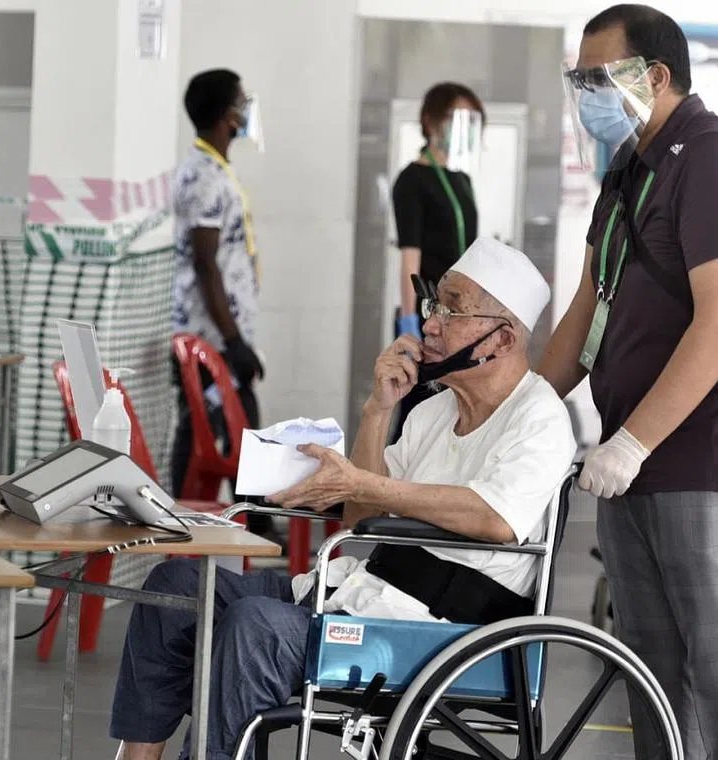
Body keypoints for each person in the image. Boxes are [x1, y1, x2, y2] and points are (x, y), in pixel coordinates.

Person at [112, 238, 576, 760]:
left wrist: (363, 483)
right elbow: (360, 519)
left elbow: (495, 519)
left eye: (451, 310)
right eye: (434, 305)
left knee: (256, 628)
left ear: (503, 338)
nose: (429, 324)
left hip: (442, 632)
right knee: (175, 589)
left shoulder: (539, 418)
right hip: (361, 595)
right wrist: (378, 409)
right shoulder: (433, 412)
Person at [540, 6, 718, 758]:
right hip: (624, 467)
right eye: (578, 80)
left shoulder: (706, 158)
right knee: (652, 675)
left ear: (656, 76)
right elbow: (587, 311)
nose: (586, 95)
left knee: (711, 667)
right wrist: (512, 414)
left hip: (691, 464)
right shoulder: (624, 172)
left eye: (598, 78)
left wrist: (635, 443)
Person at [170, 69, 276, 542]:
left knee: (228, 428)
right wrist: (233, 342)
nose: (246, 109)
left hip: (220, 334)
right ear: (225, 115)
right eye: (240, 101)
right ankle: (251, 525)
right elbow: (205, 262)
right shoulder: (205, 176)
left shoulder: (213, 169)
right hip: (209, 337)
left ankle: (253, 522)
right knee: (215, 427)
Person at [389, 82, 485, 443]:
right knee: (416, 407)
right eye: (457, 117)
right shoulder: (412, 180)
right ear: (430, 121)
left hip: (460, 316)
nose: (464, 128)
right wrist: (409, 319)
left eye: (472, 121)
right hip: (427, 314)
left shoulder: (462, 180)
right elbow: (409, 255)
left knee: (452, 408)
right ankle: (391, 476)